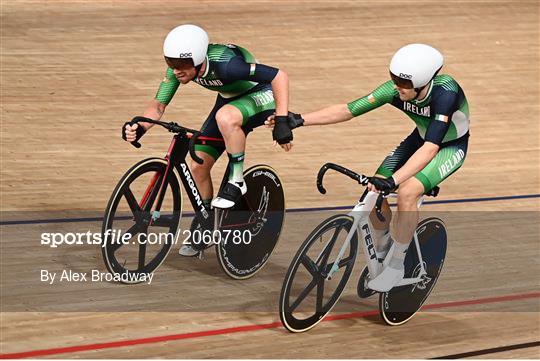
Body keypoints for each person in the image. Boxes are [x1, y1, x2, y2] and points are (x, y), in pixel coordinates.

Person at [268, 43, 470, 291]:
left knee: (406, 192)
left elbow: (430, 149)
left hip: (449, 146)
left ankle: (396, 265)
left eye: (403, 83)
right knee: (374, 190)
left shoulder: (445, 94)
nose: (397, 86)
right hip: (419, 138)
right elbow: (348, 110)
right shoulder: (395, 90)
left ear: (423, 83)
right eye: (394, 79)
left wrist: (394, 181)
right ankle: (385, 247)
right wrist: (299, 120)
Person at [122, 24, 292, 256]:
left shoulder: (228, 65)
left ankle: (237, 179)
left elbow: (278, 76)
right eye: (171, 63)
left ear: (200, 60)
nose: (176, 71)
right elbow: (158, 105)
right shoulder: (180, 69)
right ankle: (207, 223)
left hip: (260, 96)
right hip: (230, 100)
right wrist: (139, 126)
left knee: (226, 117)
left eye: (181, 65)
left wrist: (281, 119)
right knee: (198, 164)